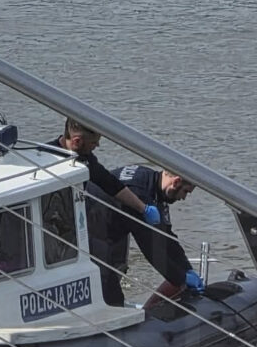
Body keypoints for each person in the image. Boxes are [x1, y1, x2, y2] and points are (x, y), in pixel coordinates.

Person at [86, 163, 204, 307]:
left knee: (115, 273)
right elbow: (151, 249)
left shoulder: (153, 185)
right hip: (90, 230)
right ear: (176, 182)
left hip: (110, 228)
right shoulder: (139, 193)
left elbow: (168, 238)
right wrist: (181, 278)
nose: (184, 198)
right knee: (112, 296)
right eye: (185, 191)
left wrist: (187, 268)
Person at [44, 118, 161, 226]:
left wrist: (143, 208)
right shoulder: (43, 157)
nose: (97, 145)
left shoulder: (85, 158)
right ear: (77, 141)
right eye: (93, 142)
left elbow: (110, 184)